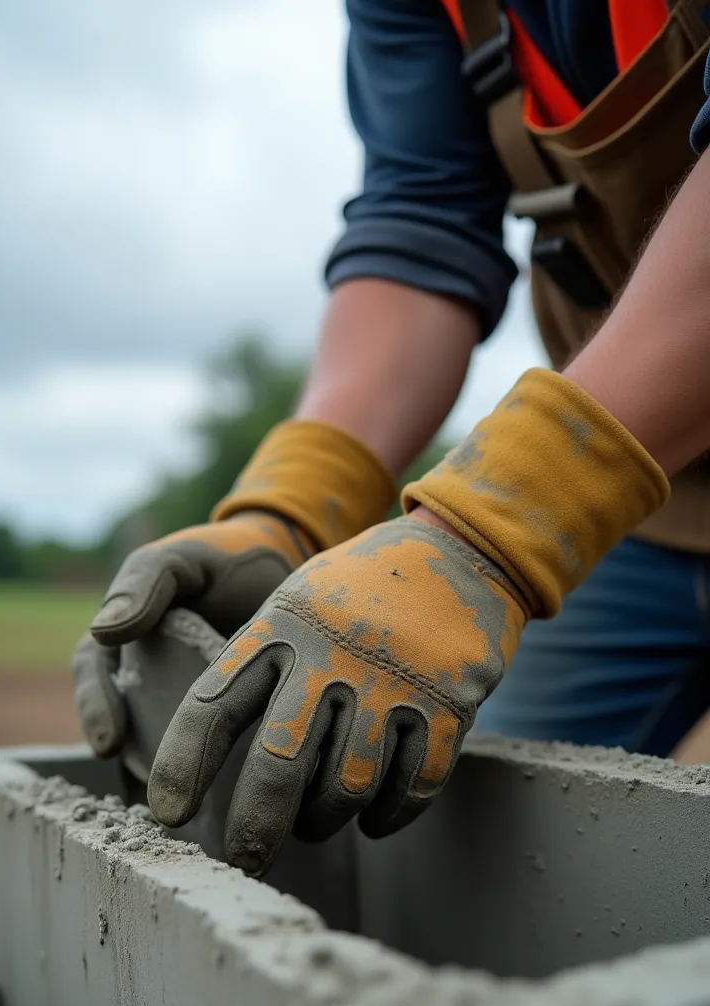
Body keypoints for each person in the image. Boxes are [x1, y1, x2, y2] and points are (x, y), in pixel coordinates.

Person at [74, 0, 710, 877]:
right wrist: (294, 506)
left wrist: (492, 532)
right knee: (457, 848)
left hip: (599, 482)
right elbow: (423, 224)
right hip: (648, 512)